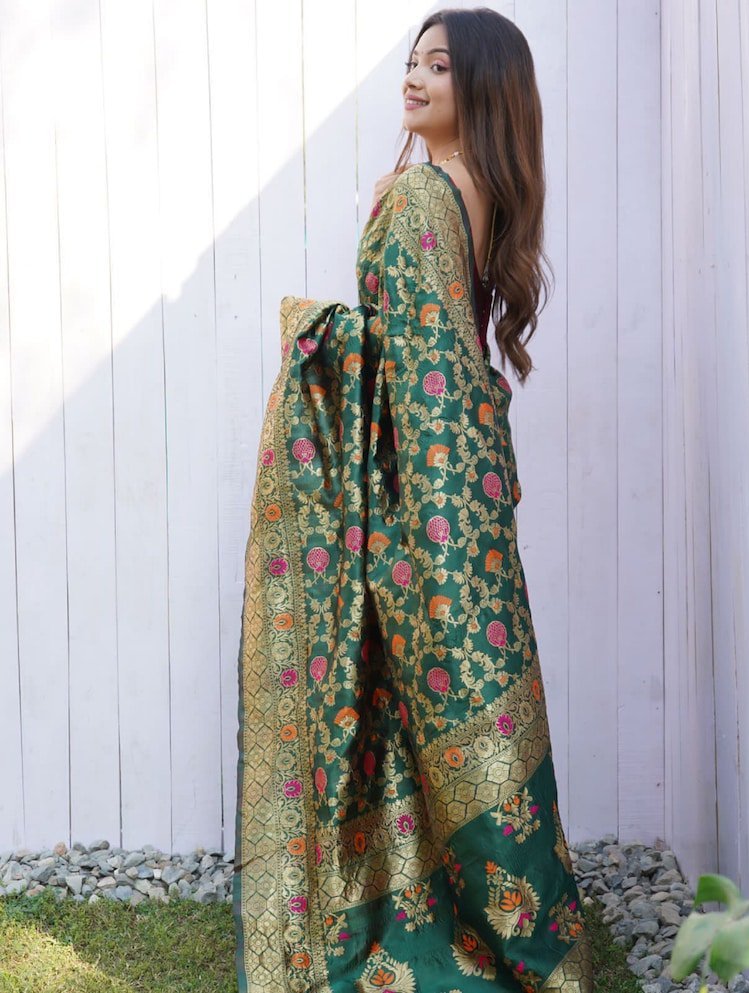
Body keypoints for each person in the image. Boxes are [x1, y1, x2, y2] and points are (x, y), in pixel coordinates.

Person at [233, 8, 594, 992]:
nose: (415, 76)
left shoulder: (425, 193)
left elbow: (418, 364)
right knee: (445, 699)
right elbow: (446, 355)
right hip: (463, 481)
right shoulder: (472, 191)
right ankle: (508, 924)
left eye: (439, 65)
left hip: (425, 493)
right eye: (412, 60)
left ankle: (439, 922)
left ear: (483, 88)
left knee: (419, 694)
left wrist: (319, 331)